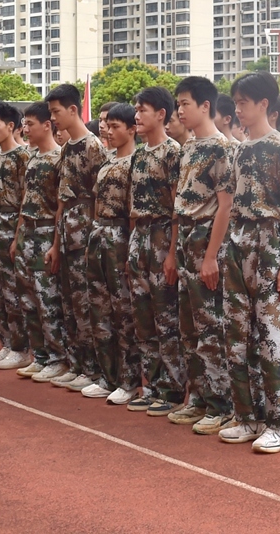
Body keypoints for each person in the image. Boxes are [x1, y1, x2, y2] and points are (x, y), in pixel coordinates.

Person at [217, 72, 280, 454]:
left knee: (271, 336)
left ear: (264, 104)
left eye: (244, 103)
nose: (238, 110)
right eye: (235, 103)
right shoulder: (239, 150)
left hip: (268, 244)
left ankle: (278, 423)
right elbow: (228, 203)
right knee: (236, 336)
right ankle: (246, 416)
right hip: (238, 243)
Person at [169, 78, 236, 430]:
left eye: (185, 104)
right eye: (178, 104)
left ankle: (221, 404)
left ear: (205, 106)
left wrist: (211, 257)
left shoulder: (222, 149)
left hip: (206, 237)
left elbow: (226, 206)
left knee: (211, 325)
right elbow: (180, 204)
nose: (180, 110)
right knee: (188, 325)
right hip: (186, 238)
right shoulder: (189, 147)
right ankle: (198, 397)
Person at [45, 83, 108, 390]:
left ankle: (93, 368)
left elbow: (100, 197)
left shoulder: (93, 147)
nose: (53, 118)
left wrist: (93, 238)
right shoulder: (67, 147)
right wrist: (56, 243)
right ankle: (77, 363)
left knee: (86, 303)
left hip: (85, 230)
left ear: (73, 109)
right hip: (67, 229)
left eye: (56, 111)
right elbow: (62, 198)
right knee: (69, 302)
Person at [127, 86, 184, 416]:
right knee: (143, 316)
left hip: (163, 235)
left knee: (165, 317)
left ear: (161, 114)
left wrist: (173, 253)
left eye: (143, 110)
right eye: (136, 109)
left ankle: (172, 390)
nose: (137, 115)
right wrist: (132, 248)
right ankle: (152, 384)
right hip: (140, 237)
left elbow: (177, 207)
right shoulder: (139, 154)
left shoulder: (172, 152)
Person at [82, 103, 141, 405]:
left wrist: (130, 251)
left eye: (116, 126)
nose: (109, 131)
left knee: (123, 311)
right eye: (108, 125)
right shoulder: (107, 162)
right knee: (99, 308)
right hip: (99, 234)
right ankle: (108, 375)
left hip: (120, 236)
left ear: (132, 129)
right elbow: (96, 203)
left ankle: (129, 380)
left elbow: (133, 212)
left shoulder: (135, 163)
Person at [14, 102, 67, 380]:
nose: (26, 129)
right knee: (28, 299)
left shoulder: (59, 158)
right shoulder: (32, 157)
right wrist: (17, 237)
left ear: (47, 125)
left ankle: (58, 357)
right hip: (27, 232)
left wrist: (56, 244)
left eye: (30, 124)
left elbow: (60, 206)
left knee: (48, 298)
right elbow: (26, 200)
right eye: (24, 124)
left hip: (46, 231)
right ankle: (41, 355)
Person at [0, 102, 32, 371]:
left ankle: (21, 347)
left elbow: (26, 198)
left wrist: (17, 236)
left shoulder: (22, 156)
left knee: (14, 290)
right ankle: (7, 342)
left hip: (12, 223)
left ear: (11, 126)